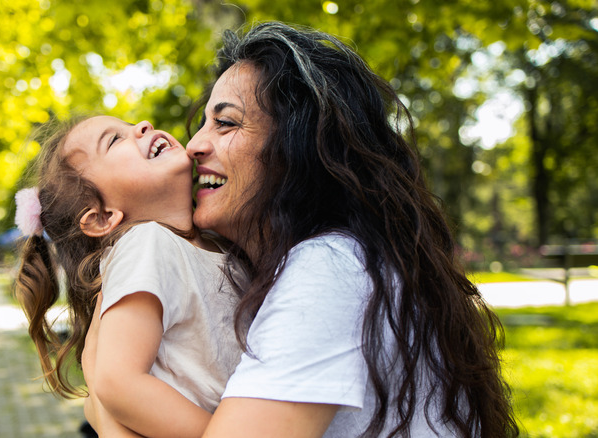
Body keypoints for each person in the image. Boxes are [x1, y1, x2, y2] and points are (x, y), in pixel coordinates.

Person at [87, 22, 519, 437]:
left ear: (299, 147)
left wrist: (103, 411)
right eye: (203, 123)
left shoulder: (330, 270)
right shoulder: (330, 262)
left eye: (227, 122)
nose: (195, 144)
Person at [14, 115, 241, 438]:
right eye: (115, 140)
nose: (145, 124)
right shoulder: (146, 244)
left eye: (130, 125)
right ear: (103, 217)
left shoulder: (215, 242)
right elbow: (118, 382)